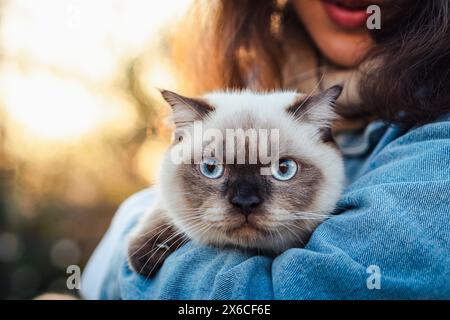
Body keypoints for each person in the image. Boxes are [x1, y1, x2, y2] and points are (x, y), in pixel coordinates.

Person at [81, 0, 450, 299]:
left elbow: (271, 296)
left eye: (282, 169)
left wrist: (131, 234)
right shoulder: (256, 83)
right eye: (213, 169)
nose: (245, 202)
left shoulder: (438, 141)